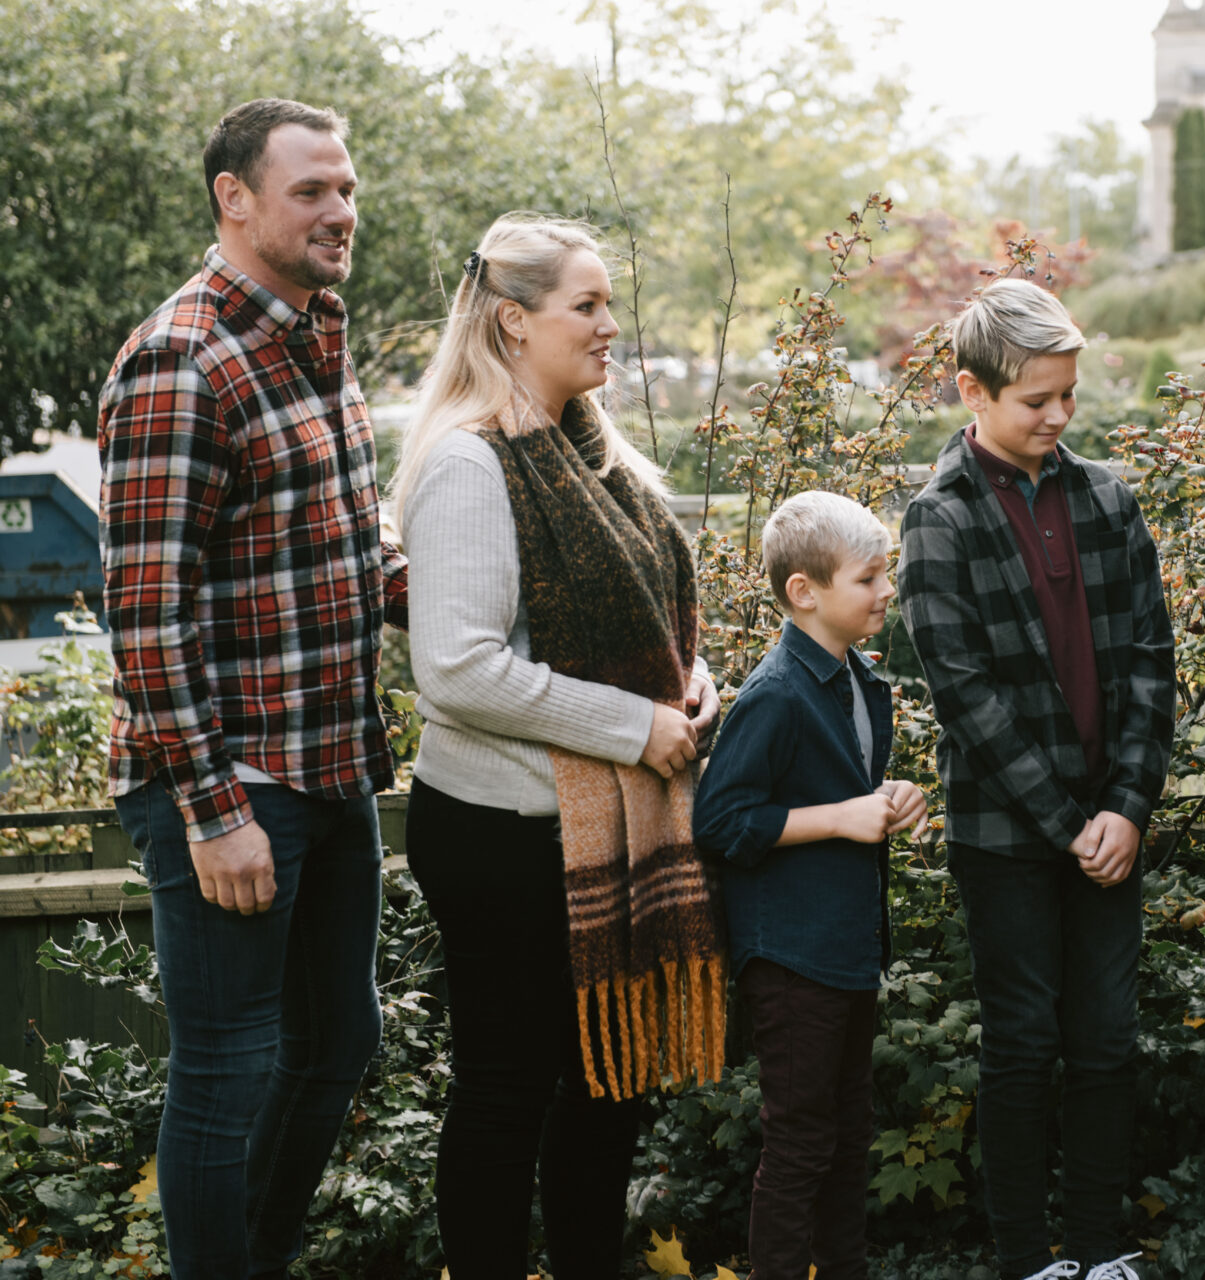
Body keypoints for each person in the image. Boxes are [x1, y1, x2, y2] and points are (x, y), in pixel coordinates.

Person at [97, 98, 407, 1277]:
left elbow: (343, 543)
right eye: (313, 191)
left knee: (337, 1045)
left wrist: (454, 592)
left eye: (348, 189)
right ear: (235, 198)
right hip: (231, 778)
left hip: (333, 764)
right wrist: (213, 807)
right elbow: (146, 614)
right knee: (226, 1065)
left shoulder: (316, 332)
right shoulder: (184, 357)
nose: (342, 212)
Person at [387, 214, 723, 1277]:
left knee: (605, 1092)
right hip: (501, 835)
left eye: (607, 301)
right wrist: (637, 725)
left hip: (601, 824)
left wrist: (687, 684)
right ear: (512, 318)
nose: (611, 325)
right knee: (508, 1087)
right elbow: (457, 668)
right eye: (588, 304)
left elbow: (651, 629)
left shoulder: (592, 454)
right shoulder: (471, 467)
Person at [897, 280, 1176, 1280]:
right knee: (1022, 1044)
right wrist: (1072, 821)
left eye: (1069, 395)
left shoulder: (1108, 498)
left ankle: (1100, 1254)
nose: (1059, 416)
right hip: (1007, 838)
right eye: (1036, 401)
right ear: (973, 391)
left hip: (1112, 827)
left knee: (1106, 1043)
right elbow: (964, 695)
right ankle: (1027, 1260)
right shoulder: (939, 519)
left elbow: (1152, 660)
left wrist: (1126, 807)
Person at [692, 489, 931, 1280]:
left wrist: (892, 800)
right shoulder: (776, 694)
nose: (886, 590)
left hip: (846, 943)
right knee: (800, 1143)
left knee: (848, 1134)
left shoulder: (860, 681)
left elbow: (847, 789)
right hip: (791, 955)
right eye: (869, 578)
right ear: (806, 592)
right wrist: (839, 819)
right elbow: (721, 822)